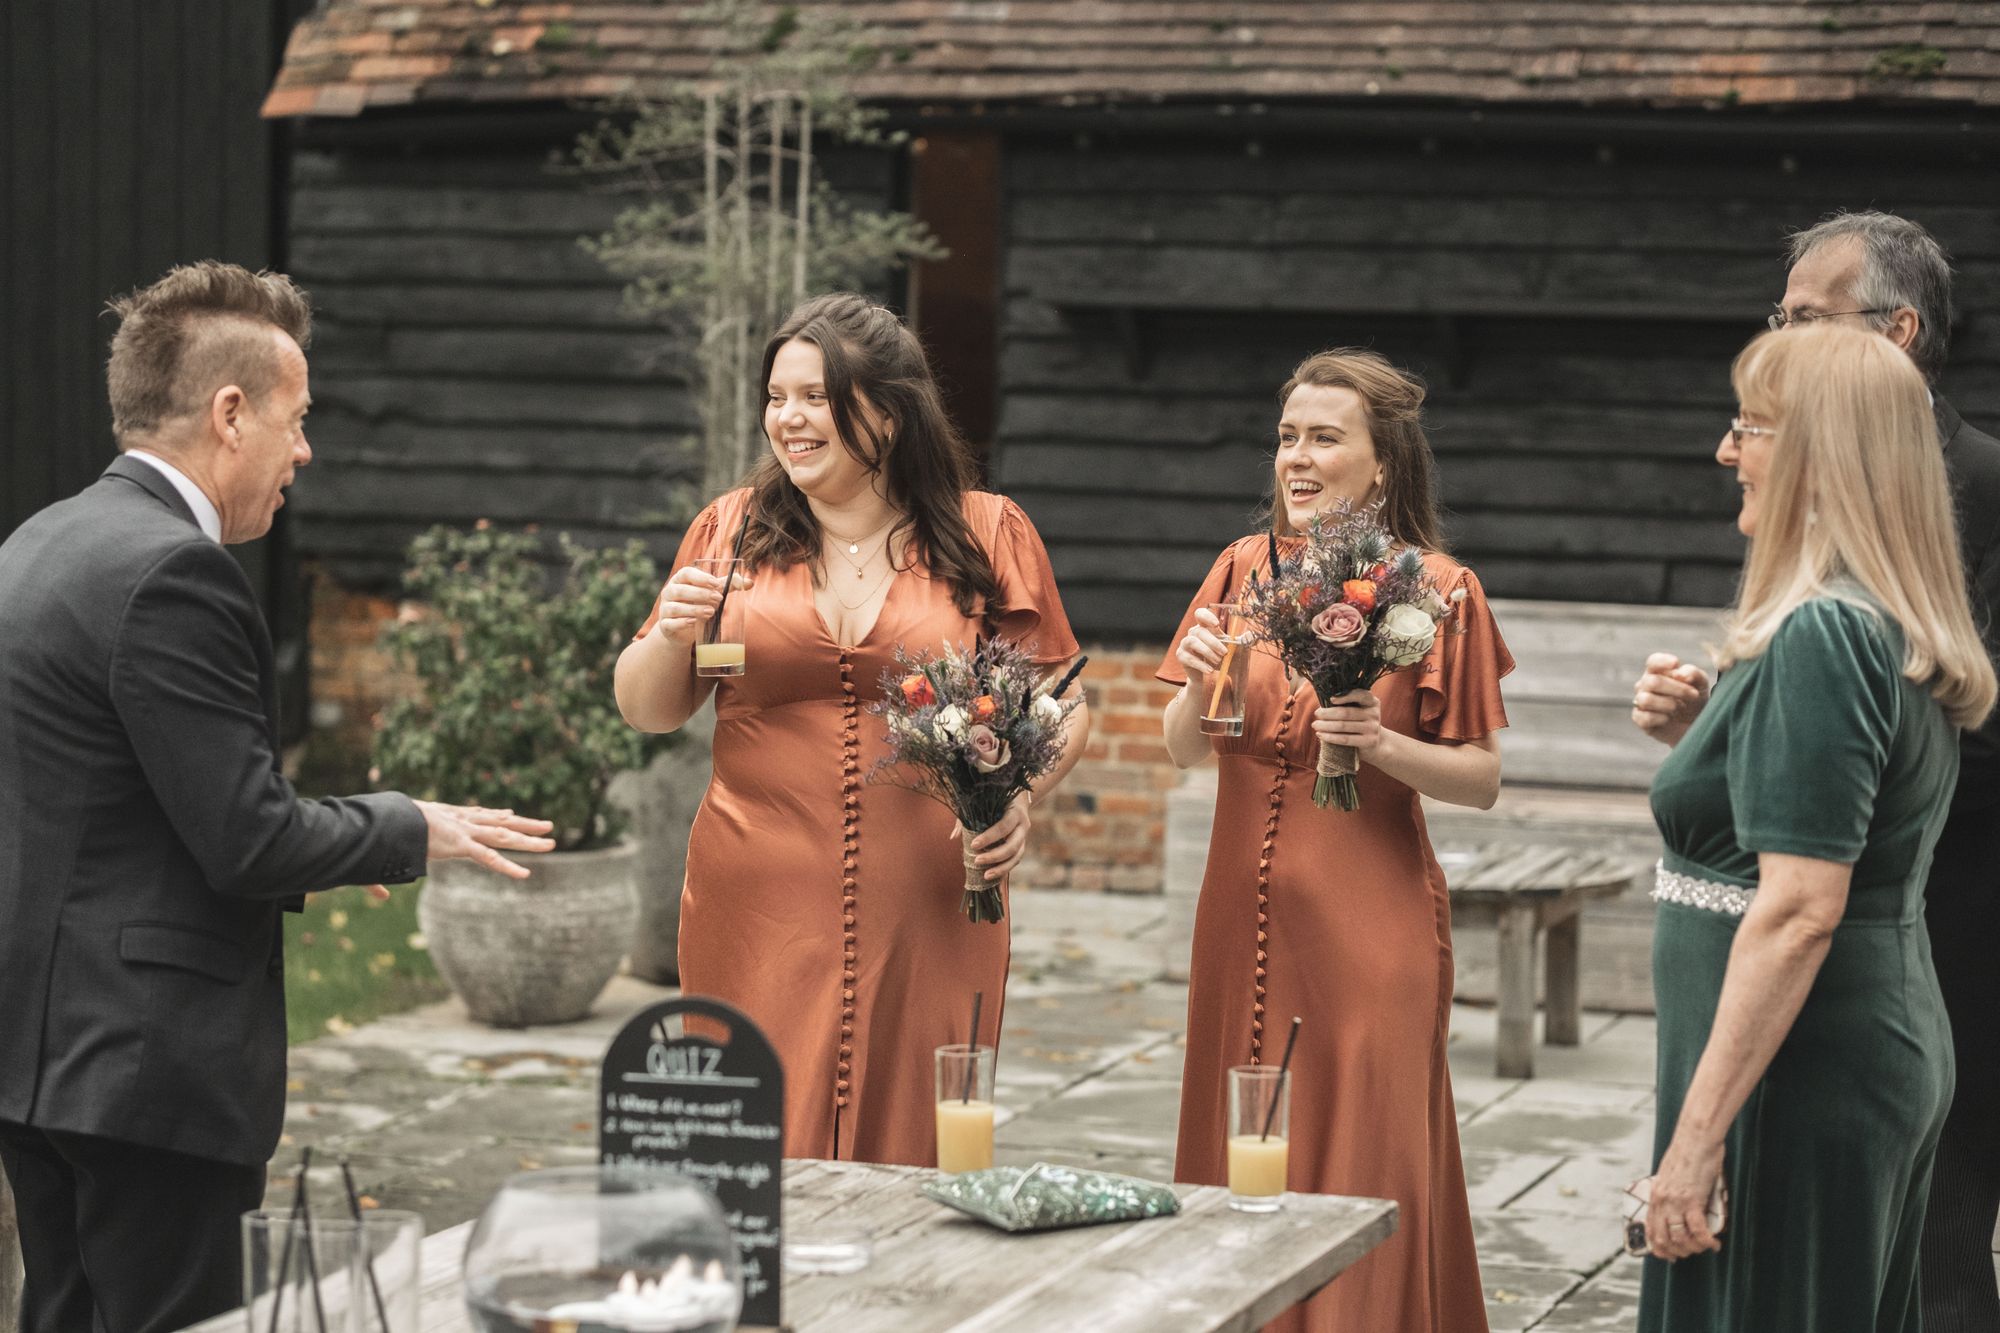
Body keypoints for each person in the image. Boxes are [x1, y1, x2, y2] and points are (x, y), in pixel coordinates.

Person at [0, 261, 554, 1333]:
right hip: (145, 1073)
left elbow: (116, 808)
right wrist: (409, 826)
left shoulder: (36, 543)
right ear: (230, 412)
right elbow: (246, 838)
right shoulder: (175, 574)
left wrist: (351, 840)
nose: (303, 452)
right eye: (296, 422)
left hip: (37, 1058)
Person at [615, 293, 1088, 1166]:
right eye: (775, 397)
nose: (787, 419)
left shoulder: (987, 531)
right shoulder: (729, 530)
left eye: (815, 396)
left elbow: (1061, 699)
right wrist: (672, 635)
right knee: (750, 1139)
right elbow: (648, 707)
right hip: (752, 900)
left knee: (916, 1137)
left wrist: (1017, 793)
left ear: (889, 408)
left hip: (933, 897)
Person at [1634, 211, 2000, 1332]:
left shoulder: (1826, 633)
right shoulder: (1874, 617)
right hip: (1838, 1031)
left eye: (1749, 426)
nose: (1723, 450)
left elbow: (1796, 908)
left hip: (1808, 1049)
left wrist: (1690, 1148)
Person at [1160, 349, 1509, 1332]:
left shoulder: (1438, 588)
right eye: (1285, 438)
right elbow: (1187, 750)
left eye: (1323, 438)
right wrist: (1194, 687)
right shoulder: (1238, 570)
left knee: (1359, 1156)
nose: (1296, 458)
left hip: (1369, 932)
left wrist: (1378, 740)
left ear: (1383, 462)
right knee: (1235, 1160)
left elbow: (1480, 778)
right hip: (1237, 927)